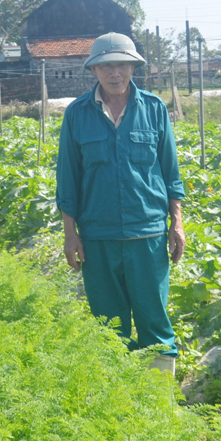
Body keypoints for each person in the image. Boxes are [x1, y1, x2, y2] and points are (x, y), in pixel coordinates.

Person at [55, 32, 186, 375]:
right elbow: (68, 178)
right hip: (98, 238)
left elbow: (170, 173)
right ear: (95, 70)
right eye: (107, 66)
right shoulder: (77, 114)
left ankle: (159, 406)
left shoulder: (154, 109)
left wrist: (177, 223)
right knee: (109, 328)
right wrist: (71, 234)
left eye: (123, 65)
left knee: (154, 323)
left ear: (133, 68)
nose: (116, 73)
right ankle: (120, 404)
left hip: (147, 235)